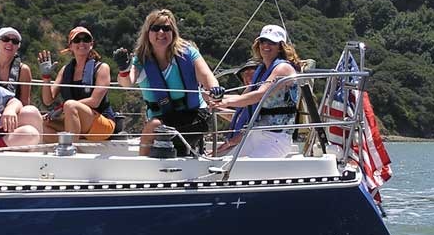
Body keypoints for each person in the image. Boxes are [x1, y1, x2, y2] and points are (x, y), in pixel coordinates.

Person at [114, 9, 224, 156]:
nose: (161, 32)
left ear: (173, 32)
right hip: (164, 119)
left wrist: (215, 89)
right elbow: (127, 83)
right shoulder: (140, 60)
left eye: (166, 28)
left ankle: (142, 166)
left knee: (153, 126)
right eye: (155, 28)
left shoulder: (188, 53)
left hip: (195, 117)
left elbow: (207, 77)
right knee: (157, 128)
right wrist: (124, 69)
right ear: (147, 33)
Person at [211, 24, 302, 157]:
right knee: (221, 162)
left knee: (240, 167)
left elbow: (260, 95)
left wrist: (225, 102)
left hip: (276, 138)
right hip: (255, 134)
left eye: (272, 42)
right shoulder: (262, 69)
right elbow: (245, 96)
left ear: (280, 47)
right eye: (263, 41)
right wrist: (215, 98)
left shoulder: (283, 68)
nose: (266, 45)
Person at [37, 27, 116, 141]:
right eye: (77, 40)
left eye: (86, 39)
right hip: (74, 120)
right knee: (41, 122)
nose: (81, 43)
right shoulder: (65, 70)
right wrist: (46, 77)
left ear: (91, 44)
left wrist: (63, 108)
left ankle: (70, 147)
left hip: (102, 123)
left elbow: (95, 101)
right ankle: (68, 144)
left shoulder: (101, 68)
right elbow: (48, 100)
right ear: (70, 46)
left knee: (70, 105)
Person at [213, 58, 258, 155]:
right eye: (245, 75)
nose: (248, 77)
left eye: (252, 73)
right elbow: (236, 118)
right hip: (237, 144)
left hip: (246, 144)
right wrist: (215, 108)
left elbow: (256, 127)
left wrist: (230, 143)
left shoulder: (261, 98)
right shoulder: (245, 95)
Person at [0, 26, 33, 106]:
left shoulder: (23, 70)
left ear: (18, 47)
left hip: (14, 111)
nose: (10, 43)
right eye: (5, 39)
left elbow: (25, 102)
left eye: (15, 41)